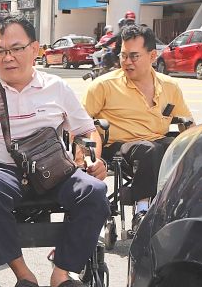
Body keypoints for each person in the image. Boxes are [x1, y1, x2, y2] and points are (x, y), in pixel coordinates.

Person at [0, 14, 109, 287]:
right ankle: (25, 279)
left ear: (35, 49)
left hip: (52, 169)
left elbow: (87, 131)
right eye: (0, 50)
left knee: (94, 192)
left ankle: (62, 277)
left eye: (17, 48)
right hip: (2, 171)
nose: (8, 57)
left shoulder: (56, 87)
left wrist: (92, 158)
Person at [82, 23, 193, 224]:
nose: (127, 62)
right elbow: (81, 123)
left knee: (182, 150)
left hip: (157, 142)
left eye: (134, 56)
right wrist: (88, 157)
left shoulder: (170, 86)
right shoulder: (104, 86)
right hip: (120, 147)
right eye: (123, 56)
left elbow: (188, 123)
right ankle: (142, 211)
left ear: (152, 56)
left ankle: (177, 208)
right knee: (149, 150)